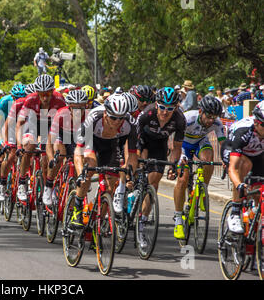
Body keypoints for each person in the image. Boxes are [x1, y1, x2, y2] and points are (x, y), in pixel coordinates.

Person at [71, 92, 138, 228]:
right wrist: (80, 175)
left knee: (109, 186)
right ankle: (77, 209)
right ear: (106, 114)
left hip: (112, 145)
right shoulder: (94, 118)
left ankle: (98, 221)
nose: (118, 122)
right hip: (92, 142)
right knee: (89, 171)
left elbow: (131, 154)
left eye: (121, 118)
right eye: (114, 118)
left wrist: (129, 174)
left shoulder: (130, 124)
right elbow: (78, 151)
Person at [136, 87, 186, 248]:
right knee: (137, 165)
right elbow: (134, 140)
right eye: (162, 107)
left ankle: (142, 222)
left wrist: (173, 165)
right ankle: (129, 187)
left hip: (159, 145)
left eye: (170, 109)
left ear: (176, 107)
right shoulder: (147, 114)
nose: (165, 112)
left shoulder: (179, 119)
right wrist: (136, 162)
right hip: (141, 141)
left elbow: (177, 146)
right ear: (157, 104)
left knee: (154, 181)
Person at [172, 96, 225, 239]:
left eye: (214, 117)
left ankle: (202, 190)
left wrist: (227, 159)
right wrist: (180, 158)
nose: (211, 121)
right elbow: (175, 141)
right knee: (183, 179)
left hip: (200, 142)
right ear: (201, 111)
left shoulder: (217, 123)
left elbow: (223, 144)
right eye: (208, 116)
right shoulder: (187, 118)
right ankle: (177, 220)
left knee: (208, 160)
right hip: (182, 145)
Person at [16, 74, 66, 202]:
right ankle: (21, 183)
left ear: (52, 91)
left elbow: (63, 125)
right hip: (32, 124)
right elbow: (20, 124)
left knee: (46, 160)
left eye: (48, 94)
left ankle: (47, 188)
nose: (44, 97)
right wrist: (19, 146)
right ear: (37, 92)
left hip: (49, 127)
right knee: (29, 147)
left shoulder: (59, 100)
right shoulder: (30, 99)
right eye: (41, 94)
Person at [221, 101, 264, 234]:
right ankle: (234, 211)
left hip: (257, 153)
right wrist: (239, 184)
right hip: (233, 149)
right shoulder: (244, 132)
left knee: (259, 191)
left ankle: (255, 221)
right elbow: (233, 168)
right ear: (256, 123)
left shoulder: (260, 129)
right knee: (245, 165)